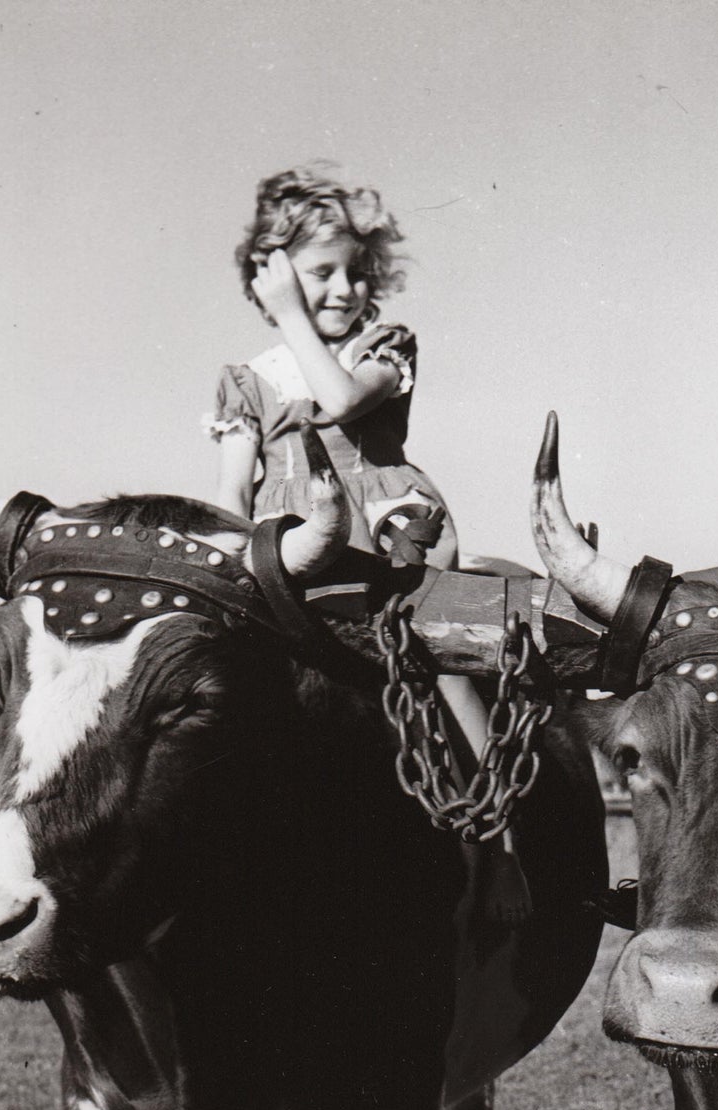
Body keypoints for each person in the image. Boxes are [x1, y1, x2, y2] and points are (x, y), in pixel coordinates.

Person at [208, 161, 531, 923]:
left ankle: (504, 847)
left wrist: (290, 312)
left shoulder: (384, 345)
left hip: (388, 530)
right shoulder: (243, 381)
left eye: (356, 272)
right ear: (272, 271)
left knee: (438, 654)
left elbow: (342, 400)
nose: (345, 289)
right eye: (322, 272)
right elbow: (230, 490)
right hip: (289, 544)